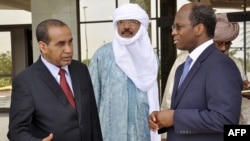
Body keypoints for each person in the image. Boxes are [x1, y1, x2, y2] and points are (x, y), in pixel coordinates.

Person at [149, 2, 243, 141]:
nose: (173, 32)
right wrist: (162, 120)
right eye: (173, 27)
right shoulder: (182, 68)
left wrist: (174, 117)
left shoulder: (221, 65)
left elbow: (225, 120)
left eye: (179, 26)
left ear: (199, 28)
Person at [7, 19, 103, 141]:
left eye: (70, 42)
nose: (68, 49)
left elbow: (92, 118)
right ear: (43, 46)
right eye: (61, 44)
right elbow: (16, 131)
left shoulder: (81, 70)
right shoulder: (25, 81)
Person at [88, 3, 160, 141]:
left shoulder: (151, 57)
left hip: (142, 132)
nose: (126, 27)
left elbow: (153, 95)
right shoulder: (102, 55)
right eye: (121, 22)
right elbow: (92, 98)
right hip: (110, 132)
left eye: (132, 22)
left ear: (142, 26)